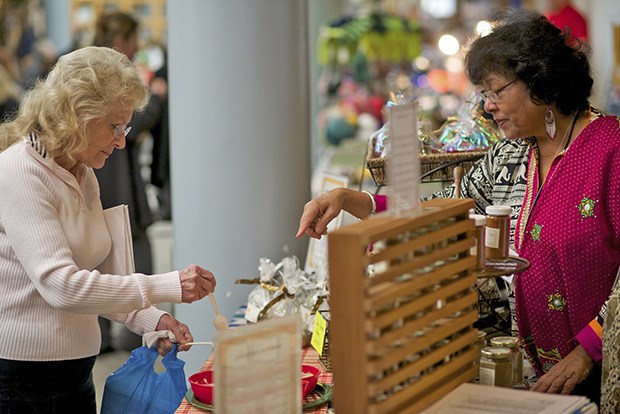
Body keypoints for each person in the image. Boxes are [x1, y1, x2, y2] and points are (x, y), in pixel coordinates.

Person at [297, 9, 619, 403]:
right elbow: (442, 212)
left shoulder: (611, 151)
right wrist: (353, 200)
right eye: (483, 94)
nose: (487, 107)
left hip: (602, 371)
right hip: (534, 374)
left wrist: (590, 349)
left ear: (542, 81)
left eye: (496, 91)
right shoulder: (511, 154)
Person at [0, 46, 217, 413]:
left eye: (125, 126)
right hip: (22, 383)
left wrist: (153, 318)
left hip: (75, 375)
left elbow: (98, 278)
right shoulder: (20, 171)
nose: (121, 140)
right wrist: (168, 285)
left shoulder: (83, 174)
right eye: (115, 126)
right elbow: (62, 285)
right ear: (75, 114)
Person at [91, 11, 168, 352]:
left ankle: (113, 338)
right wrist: (158, 96)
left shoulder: (90, 68)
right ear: (122, 40)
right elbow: (133, 122)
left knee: (100, 261)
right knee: (132, 261)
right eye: (134, 39)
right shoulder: (111, 75)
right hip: (116, 186)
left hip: (105, 184)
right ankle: (128, 338)